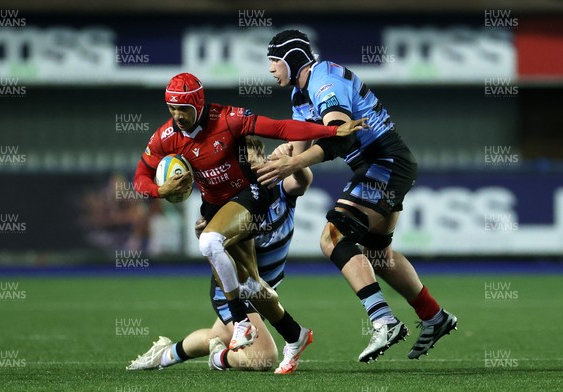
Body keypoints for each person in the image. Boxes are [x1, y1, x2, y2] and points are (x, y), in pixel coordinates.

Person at [133, 72, 364, 371]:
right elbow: (140, 177)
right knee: (260, 350)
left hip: (251, 249)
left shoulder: (264, 168)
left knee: (232, 291)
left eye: (184, 109)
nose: (178, 115)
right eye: (172, 108)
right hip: (230, 278)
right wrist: (158, 190)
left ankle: (175, 352)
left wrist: (329, 133)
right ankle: (236, 337)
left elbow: (282, 131)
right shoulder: (168, 137)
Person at [256, 30, 458, 362]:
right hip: (385, 164)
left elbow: (342, 139)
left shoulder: (324, 83)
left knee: (332, 238)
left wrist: (292, 161)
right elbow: (302, 157)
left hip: (383, 161)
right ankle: (433, 316)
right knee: (379, 256)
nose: (270, 70)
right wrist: (286, 158)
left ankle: (384, 321)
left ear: (291, 60)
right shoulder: (300, 95)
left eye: (274, 62)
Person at [127, 137, 313, 373]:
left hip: (263, 289)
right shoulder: (232, 201)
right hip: (238, 288)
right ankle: (219, 358)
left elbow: (303, 181)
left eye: (248, 159)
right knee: (262, 357)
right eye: (237, 162)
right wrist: (204, 231)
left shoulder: (277, 186)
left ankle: (164, 354)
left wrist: (294, 162)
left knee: (219, 335)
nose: (243, 167)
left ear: (262, 156)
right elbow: (216, 244)